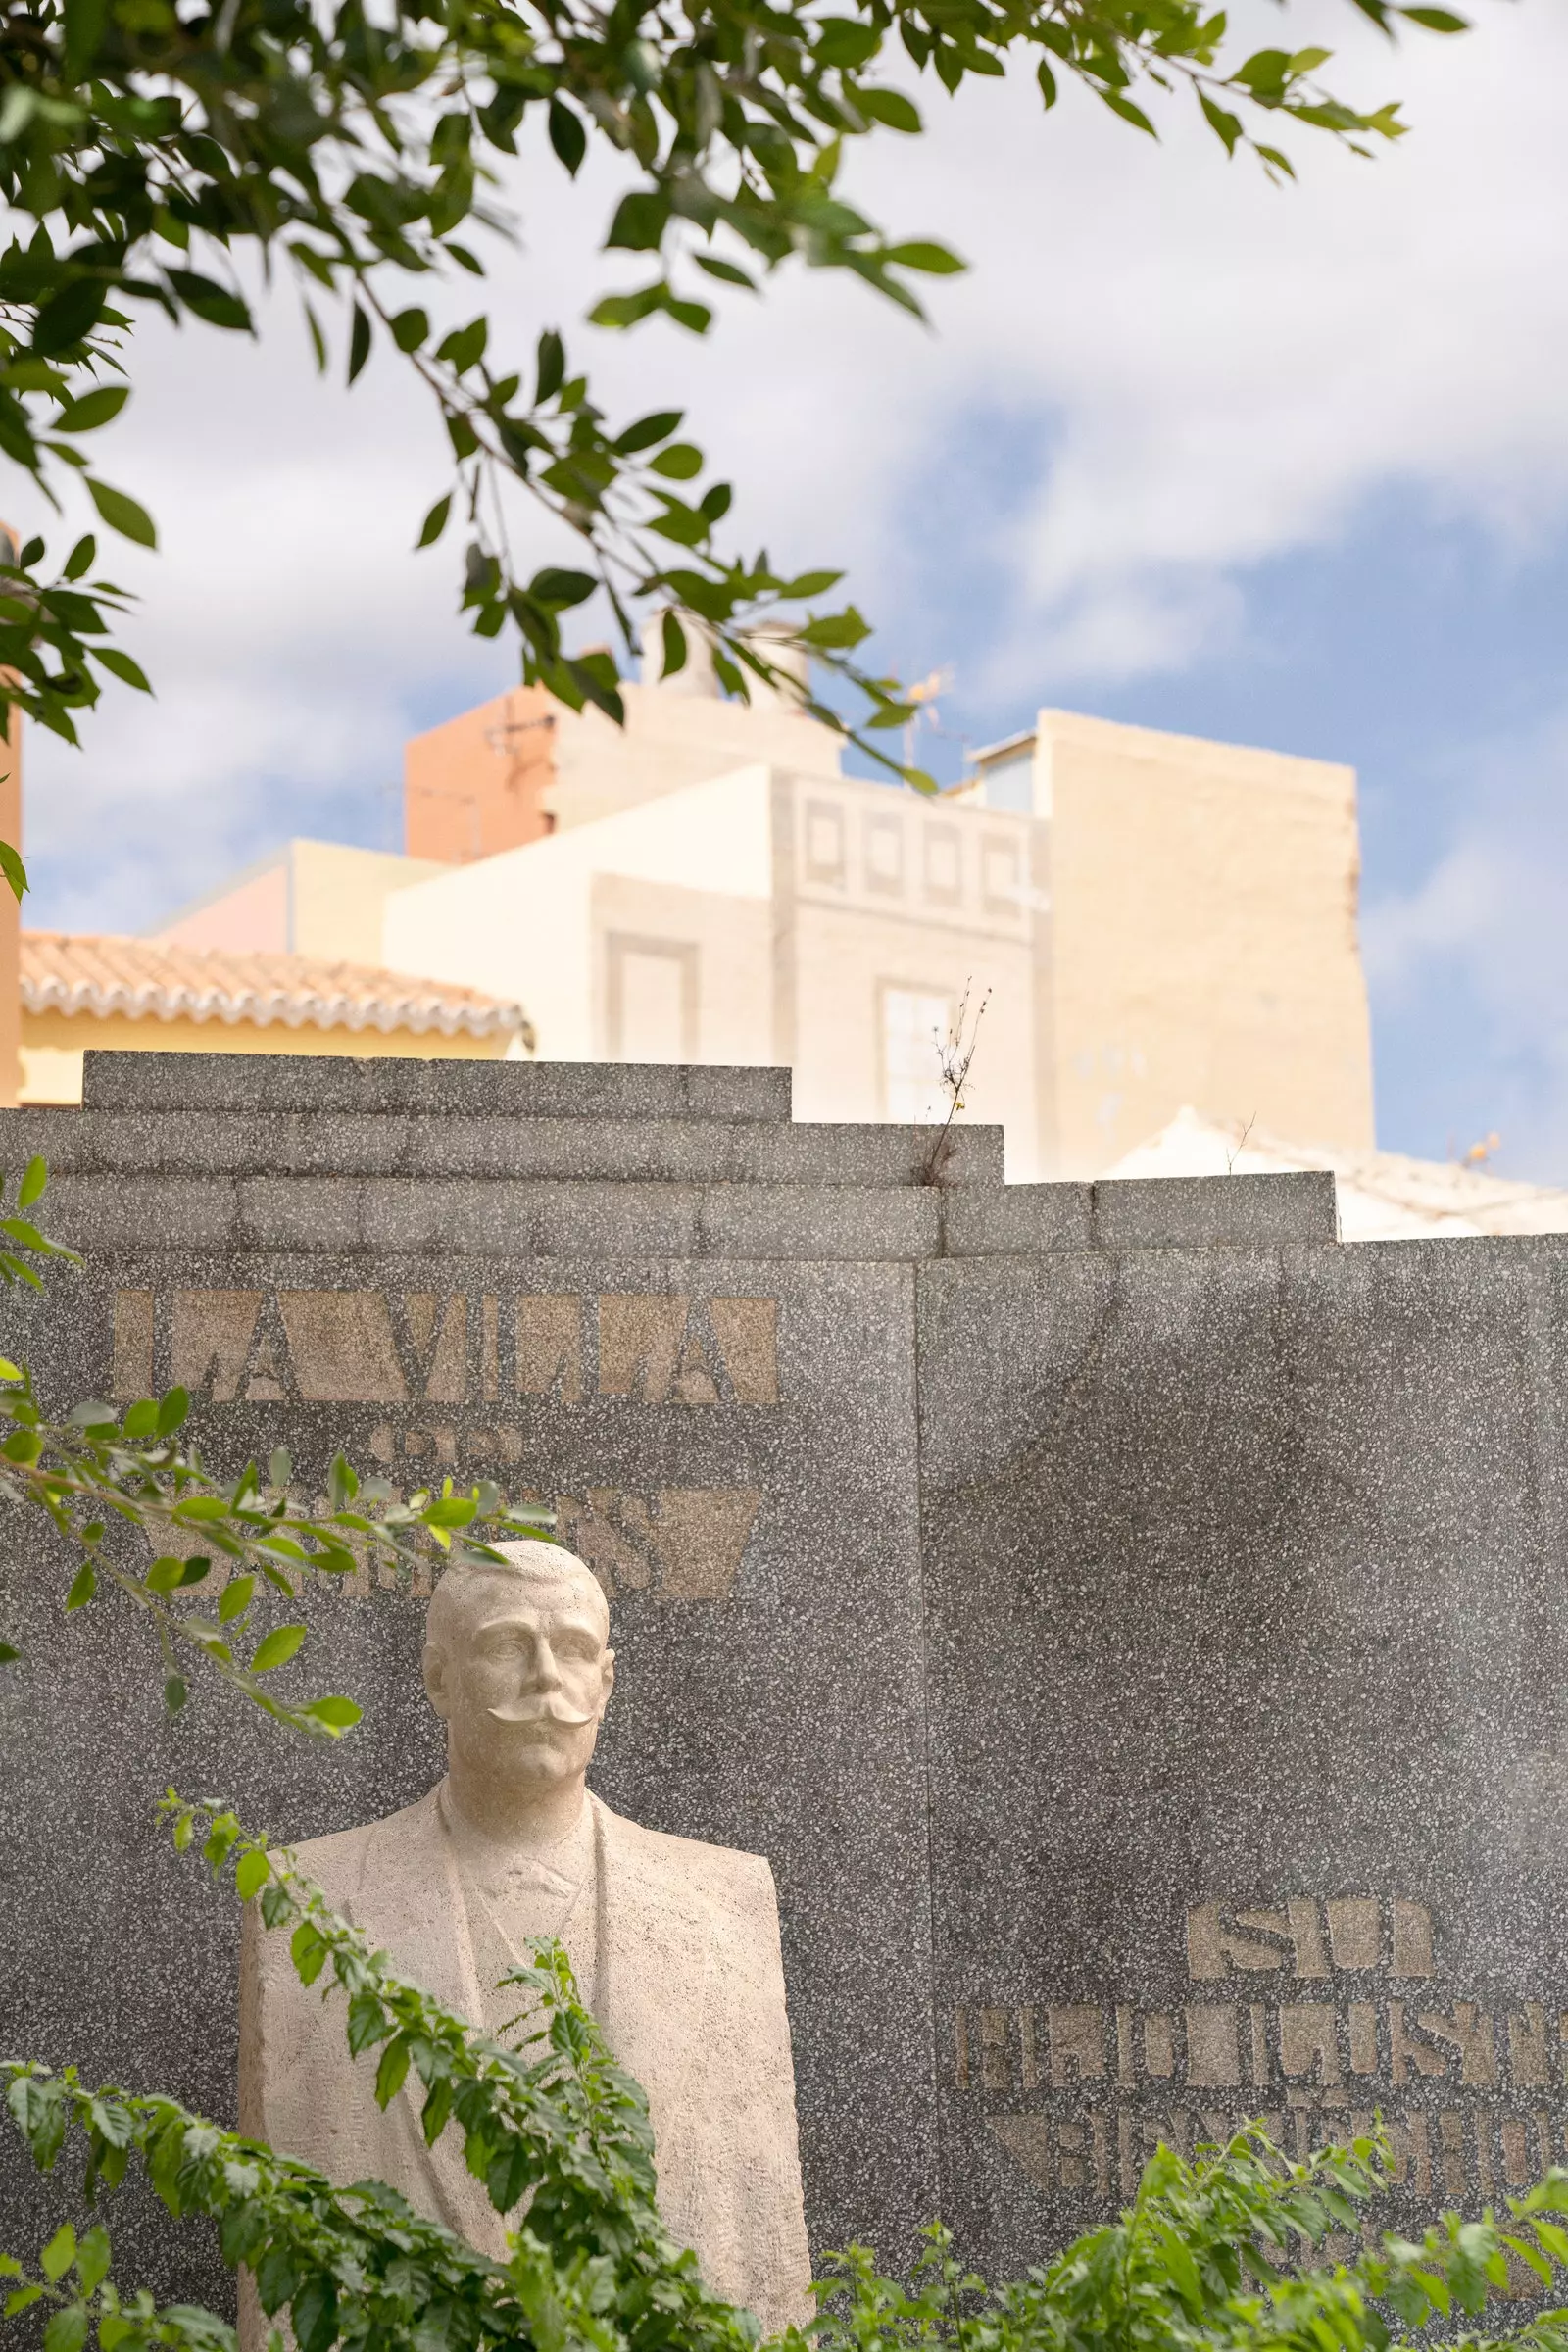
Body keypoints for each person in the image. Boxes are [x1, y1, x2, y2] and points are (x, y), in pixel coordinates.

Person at [239, 1541, 811, 2333]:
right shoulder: (311, 1898)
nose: (547, 1677)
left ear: (606, 1682)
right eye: (509, 1645)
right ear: (440, 1678)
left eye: (573, 1650)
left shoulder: (723, 1904)